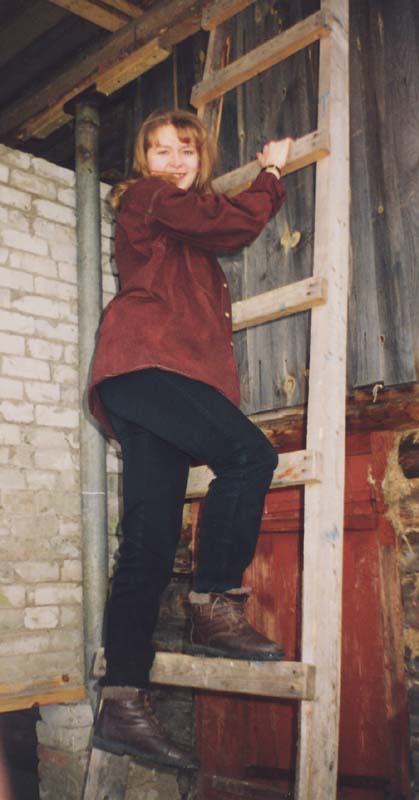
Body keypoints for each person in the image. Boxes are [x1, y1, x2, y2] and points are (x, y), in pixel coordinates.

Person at [88, 109, 292, 769]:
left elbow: (208, 231)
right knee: (250, 455)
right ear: (143, 162)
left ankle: (121, 704)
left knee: (146, 548)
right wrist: (271, 173)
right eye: (160, 150)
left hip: (145, 383)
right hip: (146, 368)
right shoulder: (151, 198)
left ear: (199, 160)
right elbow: (232, 223)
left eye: (186, 150)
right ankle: (213, 601)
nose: (173, 161)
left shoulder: (179, 231)